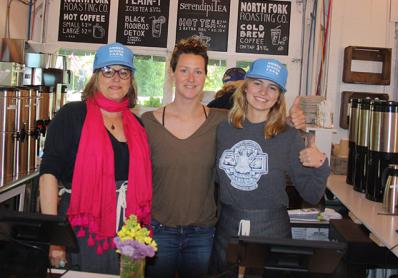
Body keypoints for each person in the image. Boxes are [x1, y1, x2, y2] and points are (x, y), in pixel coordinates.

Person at [141, 37, 306, 278]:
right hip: (158, 230)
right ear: (172, 74)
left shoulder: (222, 121)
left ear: (205, 76)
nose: (191, 78)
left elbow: (259, 124)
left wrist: (290, 123)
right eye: (184, 70)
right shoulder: (148, 122)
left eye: (198, 71)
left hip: (203, 234)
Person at [39, 42, 152, 274]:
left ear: (131, 80)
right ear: (95, 76)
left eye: (124, 72)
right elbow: (48, 174)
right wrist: (55, 237)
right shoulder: (72, 115)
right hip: (83, 225)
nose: (116, 78)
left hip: (129, 227)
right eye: (108, 70)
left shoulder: (137, 126)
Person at [209, 58, 330, 274]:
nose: (263, 92)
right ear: (245, 87)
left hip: (272, 230)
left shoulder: (289, 136)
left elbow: (311, 195)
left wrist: (320, 163)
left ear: (278, 97)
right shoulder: (223, 129)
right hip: (227, 227)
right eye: (258, 83)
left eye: (272, 87)